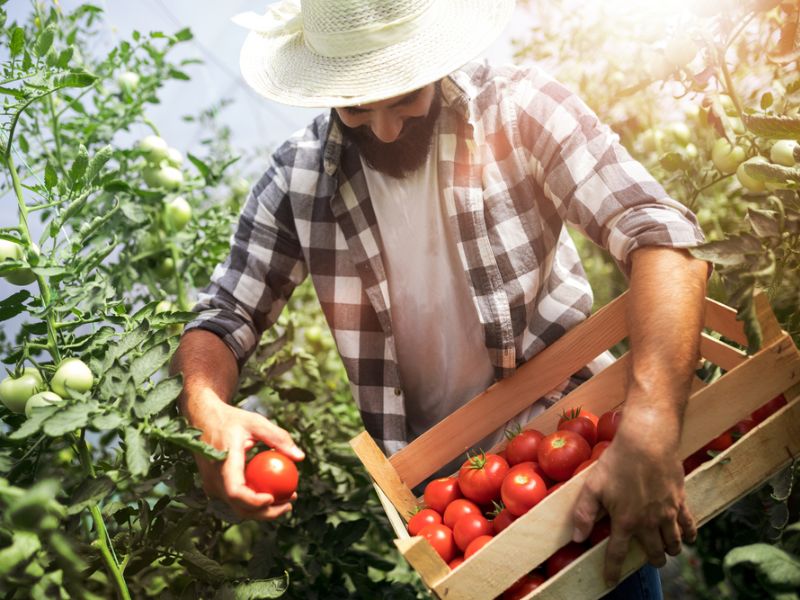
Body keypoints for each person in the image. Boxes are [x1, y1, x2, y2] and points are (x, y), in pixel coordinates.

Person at [171, 0, 709, 597]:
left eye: (403, 97)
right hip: (450, 513)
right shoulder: (296, 181)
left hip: (577, 458)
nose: (384, 128)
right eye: (355, 106)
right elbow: (224, 316)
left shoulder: (521, 108)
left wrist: (652, 421)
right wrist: (204, 405)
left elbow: (657, 230)